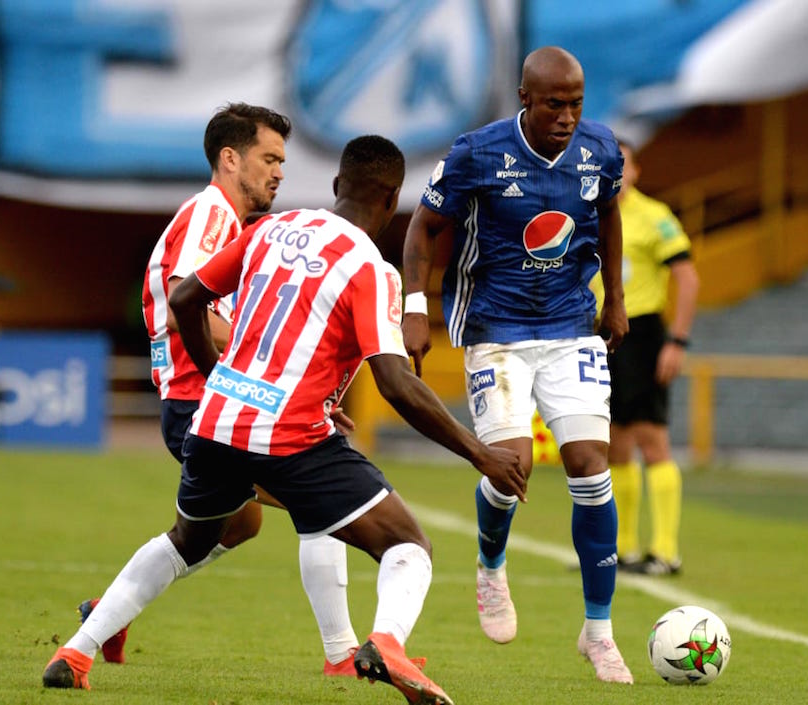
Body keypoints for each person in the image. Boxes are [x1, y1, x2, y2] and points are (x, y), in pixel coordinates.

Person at [42, 135, 526, 704]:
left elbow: (185, 299)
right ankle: (384, 644)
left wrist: (217, 376)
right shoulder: (370, 269)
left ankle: (75, 651)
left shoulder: (271, 229)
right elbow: (396, 382)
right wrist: (480, 454)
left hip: (216, 421)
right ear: (392, 198)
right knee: (407, 545)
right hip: (290, 436)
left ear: (336, 185)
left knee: (187, 542)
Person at [86, 102, 360, 676]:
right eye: (269, 158)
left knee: (241, 523)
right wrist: (272, 378)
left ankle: (105, 617)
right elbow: (193, 300)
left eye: (282, 160)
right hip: (206, 403)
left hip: (197, 404)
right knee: (328, 498)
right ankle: (342, 654)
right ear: (230, 159)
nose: (279, 172)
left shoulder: (226, 223)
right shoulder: (212, 213)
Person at [401, 46, 634, 684]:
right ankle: (491, 564)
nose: (567, 116)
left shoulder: (601, 150)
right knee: (512, 466)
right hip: (495, 328)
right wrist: (414, 306)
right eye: (555, 103)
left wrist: (614, 299)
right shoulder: (477, 151)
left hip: (569, 326)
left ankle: (598, 630)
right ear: (525, 97)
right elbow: (422, 227)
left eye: (576, 103)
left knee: (591, 465)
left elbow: (608, 214)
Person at [593, 140, 699, 577]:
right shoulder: (587, 213)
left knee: (651, 438)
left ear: (635, 171)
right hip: (598, 335)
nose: (616, 173)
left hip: (641, 335)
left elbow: (688, 278)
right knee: (614, 442)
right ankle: (626, 549)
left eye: (623, 164)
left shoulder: (655, 217)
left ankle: (666, 551)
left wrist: (677, 341)